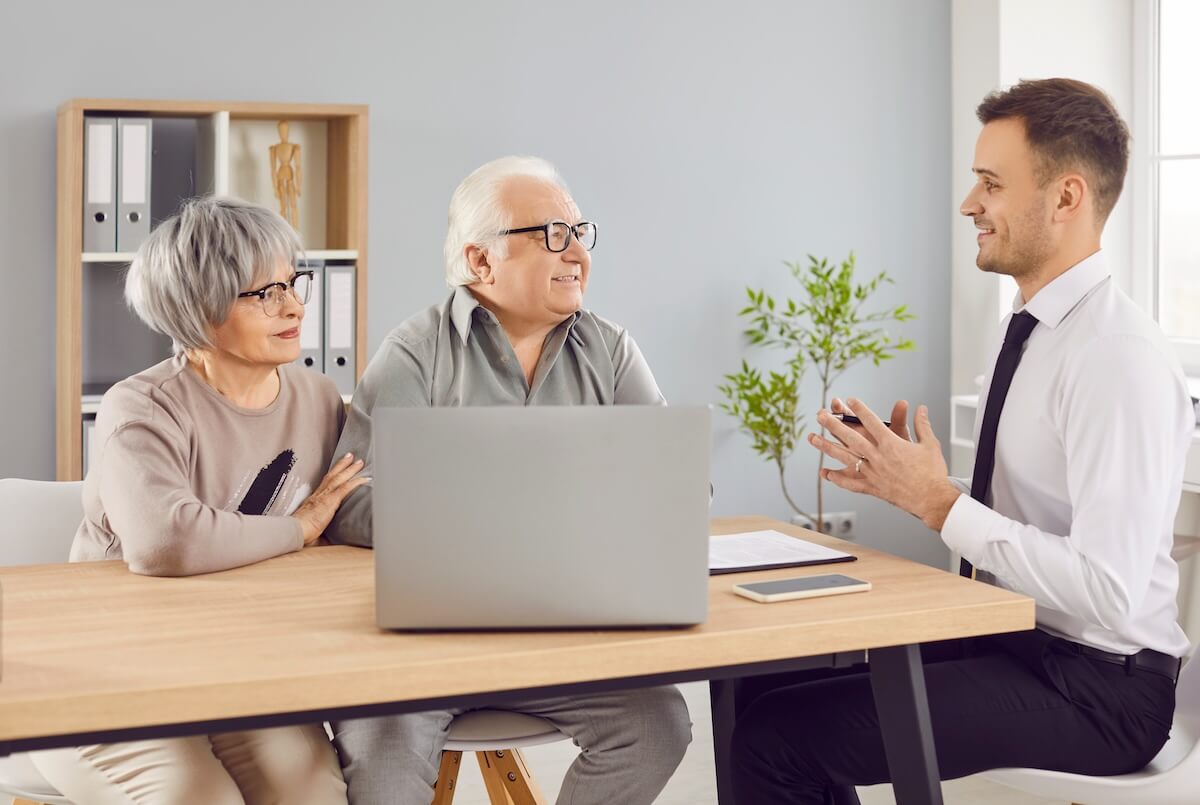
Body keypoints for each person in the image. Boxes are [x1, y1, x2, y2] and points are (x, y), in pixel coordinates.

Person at [732, 78, 1193, 804]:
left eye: (990, 184)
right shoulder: (1036, 331)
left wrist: (940, 502)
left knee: (780, 735)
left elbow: (1109, 590)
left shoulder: (1116, 356)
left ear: (1066, 197)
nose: (968, 204)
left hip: (1101, 686)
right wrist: (910, 478)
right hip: (1017, 639)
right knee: (760, 668)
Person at [325, 156, 691, 805]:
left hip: (565, 639)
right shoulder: (415, 351)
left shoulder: (611, 350)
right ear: (480, 261)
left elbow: (676, 490)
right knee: (383, 774)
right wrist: (480, 530)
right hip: (422, 647)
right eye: (552, 234)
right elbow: (349, 500)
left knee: (657, 725)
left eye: (580, 231)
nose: (576, 251)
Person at [31, 196, 361, 805]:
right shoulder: (142, 406)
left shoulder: (318, 398)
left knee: (310, 787)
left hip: (236, 668)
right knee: (196, 795)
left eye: (294, 283)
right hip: (98, 676)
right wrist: (300, 526)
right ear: (199, 306)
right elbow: (167, 542)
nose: (293, 306)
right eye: (264, 293)